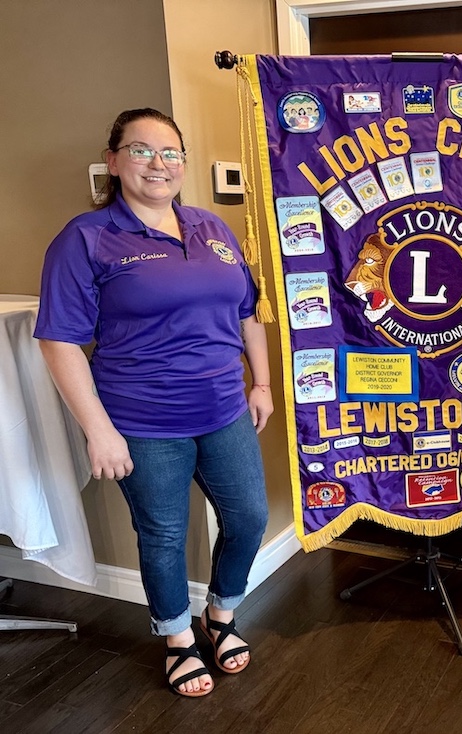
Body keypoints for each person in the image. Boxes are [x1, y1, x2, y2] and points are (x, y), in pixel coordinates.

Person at [34, 109, 273, 698]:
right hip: (142, 420)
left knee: (248, 517)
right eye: (140, 150)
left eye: (170, 152)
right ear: (113, 161)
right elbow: (59, 340)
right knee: (163, 534)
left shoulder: (211, 227)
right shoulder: (85, 239)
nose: (158, 163)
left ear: (183, 163)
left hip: (224, 410)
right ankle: (177, 639)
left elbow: (247, 312)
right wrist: (99, 430)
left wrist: (261, 384)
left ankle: (220, 616)